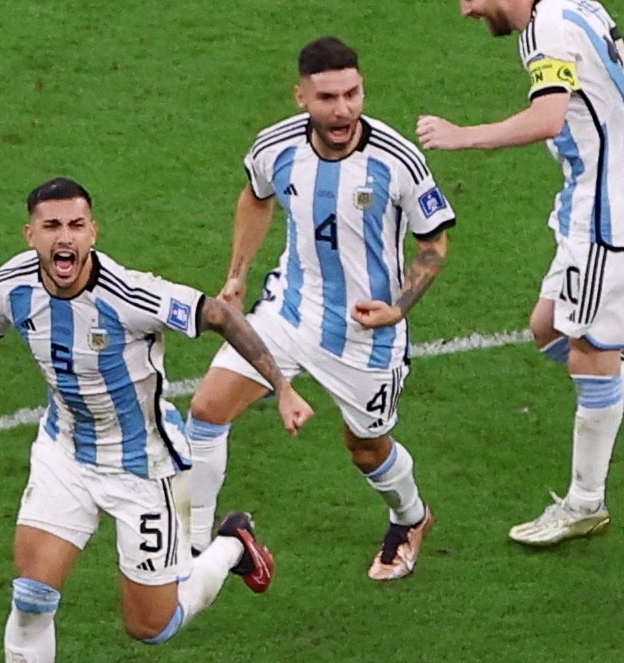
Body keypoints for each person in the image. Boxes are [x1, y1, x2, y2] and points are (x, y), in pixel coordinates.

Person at [0, 180, 306, 663]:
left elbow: (222, 314)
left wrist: (281, 387)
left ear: (93, 232)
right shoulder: (14, 283)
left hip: (144, 471)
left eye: (75, 225)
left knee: (153, 627)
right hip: (64, 455)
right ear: (31, 234)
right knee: (31, 593)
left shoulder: (131, 294)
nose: (63, 237)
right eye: (51, 226)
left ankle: (230, 543)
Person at [415, 0, 624, 545]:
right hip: (597, 210)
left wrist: (463, 136)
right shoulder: (575, 7)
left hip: (609, 223)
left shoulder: (547, 32)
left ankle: (584, 502)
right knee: (548, 329)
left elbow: (547, 117)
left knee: (592, 351)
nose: (465, 10)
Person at [185, 37, 456, 580]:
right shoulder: (274, 147)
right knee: (207, 411)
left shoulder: (398, 160)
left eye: (352, 93)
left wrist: (399, 309)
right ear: (301, 98)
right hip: (287, 311)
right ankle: (192, 550)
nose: (343, 109)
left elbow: (433, 245)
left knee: (365, 447)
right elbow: (256, 195)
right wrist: (237, 273)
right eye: (328, 97)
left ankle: (412, 516)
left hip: (366, 335)